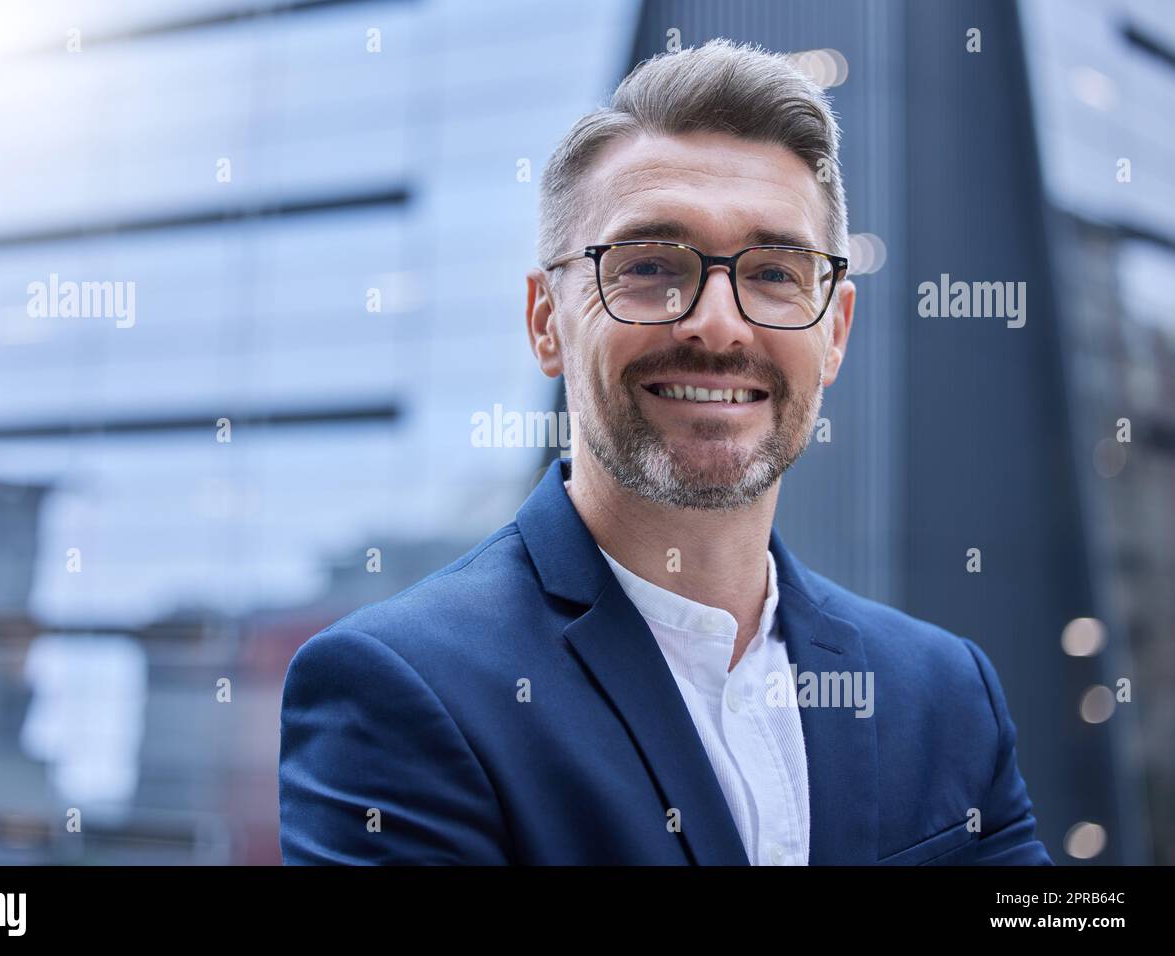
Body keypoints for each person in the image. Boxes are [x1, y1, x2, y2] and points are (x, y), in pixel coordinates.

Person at [279, 38, 1053, 865]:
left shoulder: (944, 691)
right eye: (649, 265)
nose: (717, 323)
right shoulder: (398, 689)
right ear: (547, 320)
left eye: (775, 273)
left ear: (836, 333)